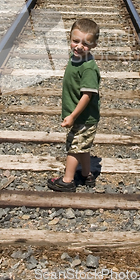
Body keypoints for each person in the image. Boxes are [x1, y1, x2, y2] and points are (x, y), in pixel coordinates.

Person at [47, 18, 100, 192]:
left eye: (85, 44)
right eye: (75, 41)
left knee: (73, 147)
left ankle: (68, 180)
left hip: (84, 117)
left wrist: (72, 116)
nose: (78, 46)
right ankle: (86, 174)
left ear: (94, 45)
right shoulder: (75, 57)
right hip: (79, 116)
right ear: (69, 38)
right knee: (82, 146)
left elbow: (87, 95)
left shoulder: (88, 68)